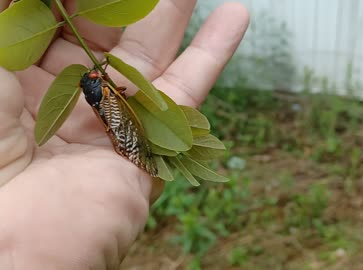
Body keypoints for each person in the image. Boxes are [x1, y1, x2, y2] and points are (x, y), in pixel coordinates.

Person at [0, 0, 249, 268]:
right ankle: (136, 151)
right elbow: (111, 92)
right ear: (98, 82)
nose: (96, 75)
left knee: (119, 118)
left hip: (110, 111)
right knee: (122, 115)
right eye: (95, 77)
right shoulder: (104, 89)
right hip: (115, 110)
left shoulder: (97, 89)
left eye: (95, 76)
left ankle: (135, 151)